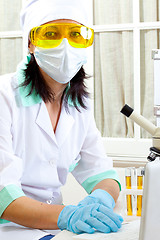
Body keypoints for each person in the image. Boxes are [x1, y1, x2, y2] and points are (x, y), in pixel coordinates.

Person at [0, 0, 123, 237]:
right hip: (8, 229)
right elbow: (3, 193)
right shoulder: (4, 96)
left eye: (76, 34)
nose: (65, 44)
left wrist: (100, 199)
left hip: (53, 229)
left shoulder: (78, 105)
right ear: (30, 43)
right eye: (51, 34)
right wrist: (68, 215)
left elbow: (103, 173)